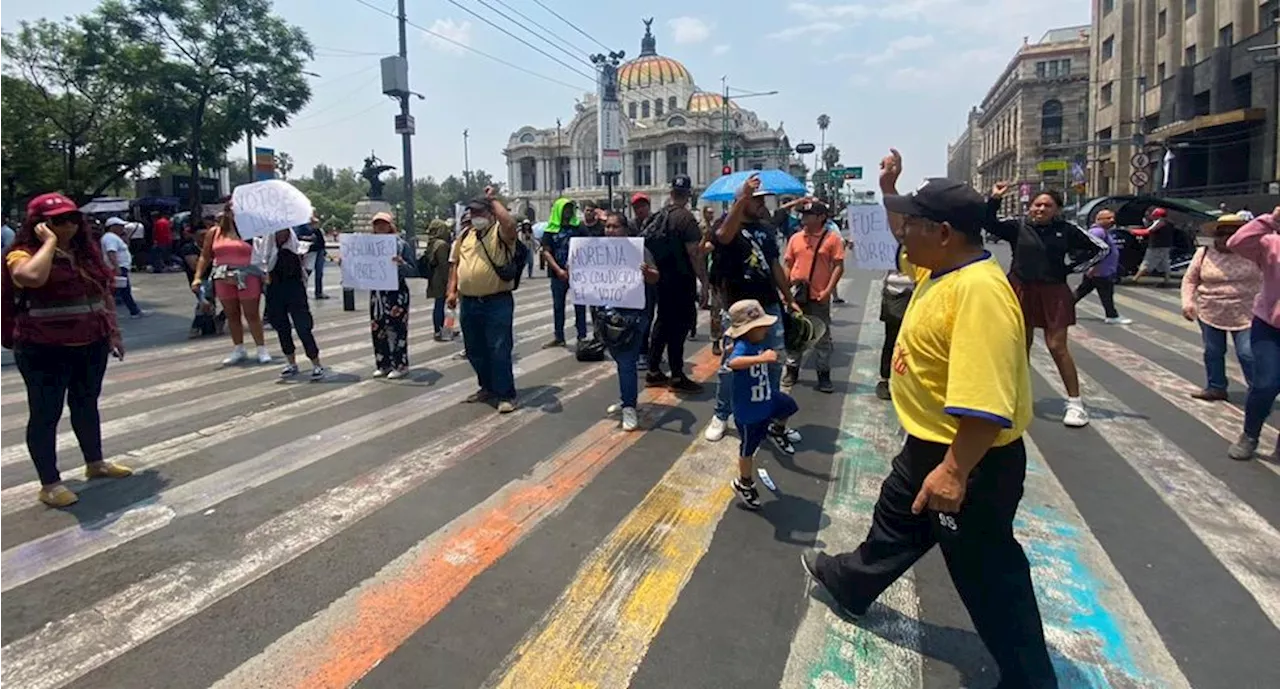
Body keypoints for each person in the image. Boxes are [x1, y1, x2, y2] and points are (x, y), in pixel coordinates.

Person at [800, 178, 1057, 689]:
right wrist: (888, 186)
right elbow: (898, 229)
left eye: (913, 224)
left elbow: (986, 404)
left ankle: (1029, 678)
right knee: (897, 516)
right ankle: (852, 581)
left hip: (969, 456)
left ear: (943, 232)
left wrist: (954, 471)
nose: (902, 234)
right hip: (929, 442)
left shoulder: (979, 293)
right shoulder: (941, 266)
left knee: (988, 574)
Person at [1, 193, 131, 508]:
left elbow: (104, 293)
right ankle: (49, 483)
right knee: (46, 413)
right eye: (58, 221)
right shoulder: (21, 253)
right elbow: (31, 277)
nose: (68, 226)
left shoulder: (85, 253)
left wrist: (113, 332)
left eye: (72, 219)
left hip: (91, 342)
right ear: (39, 224)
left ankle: (95, 462)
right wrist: (48, 244)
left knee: (86, 405)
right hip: (43, 347)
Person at [986, 184, 1106, 428]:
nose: (1041, 209)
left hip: (1053, 292)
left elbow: (1099, 250)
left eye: (1047, 205)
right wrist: (994, 199)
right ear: (1030, 207)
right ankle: (1018, 396)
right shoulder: (1018, 227)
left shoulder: (1067, 230)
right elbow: (988, 223)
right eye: (1037, 204)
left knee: (1056, 346)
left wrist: (1070, 269)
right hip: (1021, 290)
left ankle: (1075, 403)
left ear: (1057, 210)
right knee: (1021, 346)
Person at [705, 174, 801, 448]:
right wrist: (741, 198)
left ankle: (768, 414)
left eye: (762, 199)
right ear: (742, 201)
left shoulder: (766, 229)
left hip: (768, 306)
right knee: (729, 366)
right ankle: (721, 415)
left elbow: (774, 265)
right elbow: (723, 237)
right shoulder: (726, 225)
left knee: (773, 361)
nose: (762, 204)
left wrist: (787, 297)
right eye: (755, 199)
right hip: (738, 309)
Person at [446, 187, 521, 413]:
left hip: (496, 302)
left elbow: (510, 224)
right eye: (473, 212)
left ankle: (506, 394)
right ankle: (486, 387)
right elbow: (455, 265)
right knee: (474, 349)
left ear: (490, 213)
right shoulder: (465, 236)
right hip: (469, 302)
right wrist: (452, 291)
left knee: (499, 348)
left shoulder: (499, 233)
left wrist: (493, 200)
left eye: (480, 211)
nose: (475, 216)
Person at [724, 299, 800, 509]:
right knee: (748, 450)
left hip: (767, 397)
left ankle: (777, 429)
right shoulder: (743, 346)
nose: (766, 329)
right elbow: (733, 363)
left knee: (789, 406)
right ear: (747, 330)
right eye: (761, 327)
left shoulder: (760, 342)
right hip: (749, 411)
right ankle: (744, 483)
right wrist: (762, 359)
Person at [1221, 209, 1280, 460]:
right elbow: (1237, 242)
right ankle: (1250, 434)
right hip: (1270, 325)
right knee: (1266, 384)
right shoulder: (1272, 242)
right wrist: (1271, 220)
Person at [1181, 213, 1258, 403]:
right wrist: (1187, 302)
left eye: (1233, 233)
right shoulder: (1205, 253)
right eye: (1222, 233)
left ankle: (1259, 391)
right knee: (1213, 351)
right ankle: (1216, 387)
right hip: (1210, 309)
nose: (1227, 238)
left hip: (1247, 310)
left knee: (1247, 353)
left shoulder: (1255, 251)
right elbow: (1190, 279)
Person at [644, 174, 708, 393]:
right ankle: (678, 375)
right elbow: (694, 255)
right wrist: (705, 283)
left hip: (660, 279)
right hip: (681, 280)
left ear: (671, 193)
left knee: (662, 323)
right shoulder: (686, 219)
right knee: (679, 328)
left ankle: (653, 370)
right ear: (688, 195)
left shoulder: (657, 216)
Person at [598, 211, 660, 431]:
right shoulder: (599, 250)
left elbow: (655, 276)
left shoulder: (638, 249)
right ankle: (627, 397)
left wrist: (646, 272)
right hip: (608, 313)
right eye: (607, 227)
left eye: (615, 227)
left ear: (625, 229)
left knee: (626, 360)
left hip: (633, 314)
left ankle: (629, 408)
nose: (610, 231)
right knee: (619, 359)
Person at [192, 208, 272, 365]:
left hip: (247, 275)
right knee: (231, 314)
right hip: (223, 275)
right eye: (232, 211)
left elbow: (264, 253)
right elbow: (205, 256)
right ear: (227, 212)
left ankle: (261, 348)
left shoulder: (251, 232)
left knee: (252, 314)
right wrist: (197, 277)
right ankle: (239, 347)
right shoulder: (215, 232)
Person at [782, 200, 844, 393]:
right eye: (803, 215)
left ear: (821, 218)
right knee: (795, 333)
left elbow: (839, 267)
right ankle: (792, 371)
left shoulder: (832, 239)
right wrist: (785, 292)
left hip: (819, 296)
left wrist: (827, 291)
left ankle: (823, 376)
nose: (804, 218)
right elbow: (788, 265)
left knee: (822, 336)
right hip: (796, 294)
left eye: (808, 215)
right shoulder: (795, 239)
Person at [257, 227, 326, 380]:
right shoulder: (267, 250)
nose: (282, 235)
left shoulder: (297, 247)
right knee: (281, 327)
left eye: (285, 232)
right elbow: (260, 263)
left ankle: (316, 363)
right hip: (275, 291)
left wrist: (312, 231)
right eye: (278, 232)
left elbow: (318, 245)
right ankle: (291, 363)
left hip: (295, 290)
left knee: (303, 327)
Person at [875, 149, 915, 401]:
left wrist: (889, 187)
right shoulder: (905, 235)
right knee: (893, 336)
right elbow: (899, 228)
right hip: (896, 291)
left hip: (920, 294)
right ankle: (886, 378)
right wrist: (888, 186)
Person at [367, 211, 417, 379]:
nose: (380, 226)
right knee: (378, 327)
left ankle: (400, 364)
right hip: (377, 293)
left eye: (383, 223)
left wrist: (401, 263)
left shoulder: (401, 245)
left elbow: (413, 270)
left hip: (397, 292)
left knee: (396, 328)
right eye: (377, 224)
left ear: (390, 225)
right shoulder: (367, 246)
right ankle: (383, 363)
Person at [540, 197, 588, 348]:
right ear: (558, 210)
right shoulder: (549, 230)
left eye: (570, 209)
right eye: (565, 208)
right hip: (557, 274)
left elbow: (587, 247)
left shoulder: (579, 228)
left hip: (577, 274)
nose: (568, 212)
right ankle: (559, 336)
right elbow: (546, 252)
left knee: (580, 306)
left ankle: (582, 335)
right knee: (558, 306)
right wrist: (559, 270)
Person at [1073, 209, 1132, 325]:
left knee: (1081, 292)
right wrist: (1094, 267)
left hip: (1100, 270)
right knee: (1106, 295)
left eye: (1112, 218)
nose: (1112, 220)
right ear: (1099, 219)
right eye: (1108, 218)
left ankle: (1061, 309)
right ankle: (1112, 316)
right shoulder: (1098, 232)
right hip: (1100, 271)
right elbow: (1094, 251)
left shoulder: (1103, 231)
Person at [101, 217, 144, 319]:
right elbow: (111, 252)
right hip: (118, 267)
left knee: (120, 290)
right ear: (113, 227)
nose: (122, 228)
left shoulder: (114, 237)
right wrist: (117, 267)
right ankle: (134, 311)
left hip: (120, 266)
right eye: (120, 226)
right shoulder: (110, 238)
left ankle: (133, 310)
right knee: (122, 290)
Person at [424, 218, 455, 341]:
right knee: (442, 305)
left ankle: (441, 329)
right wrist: (450, 282)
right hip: (440, 279)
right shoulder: (441, 244)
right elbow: (444, 265)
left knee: (439, 304)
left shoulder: (432, 242)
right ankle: (440, 330)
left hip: (433, 277)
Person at [1131, 207, 1175, 287]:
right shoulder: (1168, 222)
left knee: (1147, 262)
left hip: (1156, 246)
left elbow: (1148, 231)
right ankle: (1167, 280)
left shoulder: (1160, 222)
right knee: (1164, 263)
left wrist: (1133, 231)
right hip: (1165, 246)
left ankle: (1135, 279)